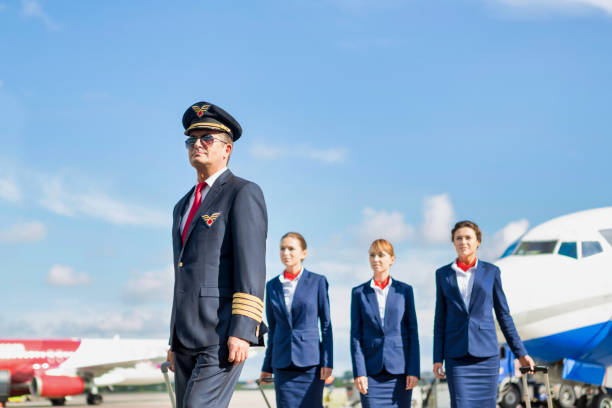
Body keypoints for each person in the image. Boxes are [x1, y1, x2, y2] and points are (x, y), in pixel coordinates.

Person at [165, 101, 268, 408]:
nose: (197, 144)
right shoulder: (182, 206)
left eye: (207, 138)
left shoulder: (242, 192)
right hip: (185, 337)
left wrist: (243, 330)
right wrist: (173, 339)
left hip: (220, 334)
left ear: (227, 149)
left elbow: (251, 266)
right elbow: (183, 274)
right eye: (192, 139)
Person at [433, 220, 535, 408]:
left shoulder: (491, 272)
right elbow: (440, 319)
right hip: (456, 356)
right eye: (459, 238)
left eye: (468, 238)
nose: (463, 242)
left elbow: (504, 316)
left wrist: (521, 353)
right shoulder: (442, 275)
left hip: (486, 357)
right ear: (453, 242)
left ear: (477, 241)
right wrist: (437, 358)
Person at [260, 232, 333, 408]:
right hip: (282, 363)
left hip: (310, 363)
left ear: (304, 253)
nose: (286, 252)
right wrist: (267, 366)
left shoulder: (317, 282)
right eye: (282, 248)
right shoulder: (272, 286)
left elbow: (326, 325)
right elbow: (273, 329)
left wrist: (327, 361)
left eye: (291, 248)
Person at [350, 239, 420, 408]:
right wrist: (359, 372)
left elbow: (412, 332)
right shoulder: (359, 293)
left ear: (392, 259)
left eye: (381, 255)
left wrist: (413, 369)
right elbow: (355, 336)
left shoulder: (405, 290)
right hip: (370, 373)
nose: (376, 259)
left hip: (400, 371)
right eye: (372, 255)